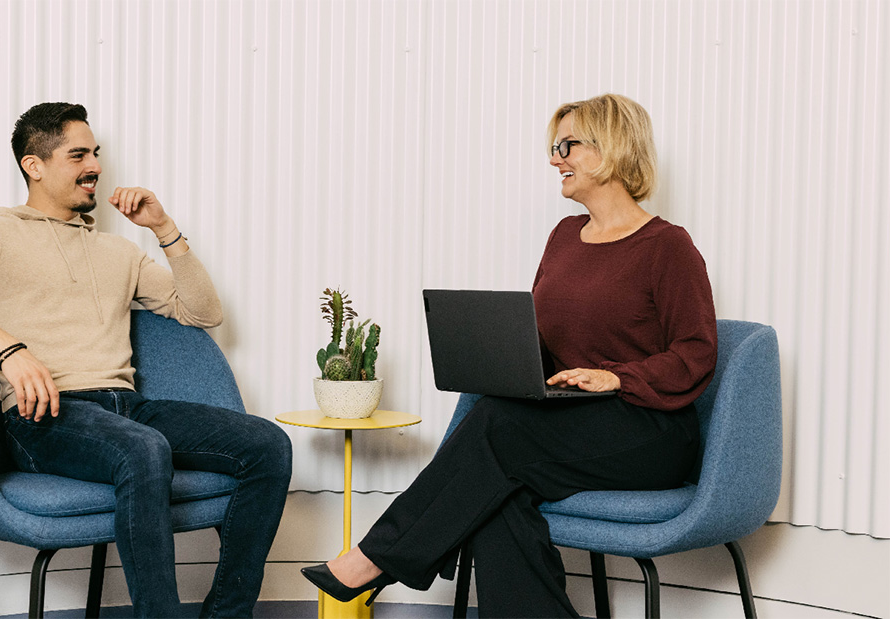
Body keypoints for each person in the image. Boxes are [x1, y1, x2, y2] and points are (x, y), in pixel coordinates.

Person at [300, 94, 717, 617]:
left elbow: (696, 353)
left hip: (647, 431)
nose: (554, 159)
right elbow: (550, 341)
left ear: (610, 149)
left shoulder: (667, 246)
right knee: (498, 499)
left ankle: (376, 557)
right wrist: (507, 362)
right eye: (553, 146)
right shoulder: (565, 237)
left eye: (567, 145)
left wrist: (614, 378)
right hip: (568, 425)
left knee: (497, 430)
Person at [0, 102, 293, 619]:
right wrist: (9, 349)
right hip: (44, 416)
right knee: (144, 450)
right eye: (78, 154)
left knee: (267, 444)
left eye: (97, 153)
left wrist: (164, 228)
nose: (95, 166)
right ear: (33, 165)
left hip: (126, 408)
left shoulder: (118, 252)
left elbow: (202, 312)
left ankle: (227, 613)